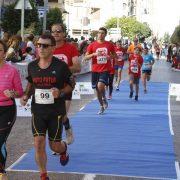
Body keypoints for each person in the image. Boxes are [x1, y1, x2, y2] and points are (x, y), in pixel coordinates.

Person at [20, 34, 74, 180]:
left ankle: (63, 149)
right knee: (38, 143)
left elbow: (71, 85)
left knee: (54, 146)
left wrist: (61, 92)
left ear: (53, 48)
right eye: (38, 45)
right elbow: (31, 84)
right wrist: (26, 95)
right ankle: (43, 175)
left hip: (55, 112)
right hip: (38, 111)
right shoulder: (32, 66)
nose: (41, 48)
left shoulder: (61, 66)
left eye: (45, 45)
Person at [51, 23, 81, 145]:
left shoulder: (71, 48)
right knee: (53, 116)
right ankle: (57, 142)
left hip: (66, 86)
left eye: (58, 31)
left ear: (64, 33)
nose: (56, 33)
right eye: (53, 31)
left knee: (61, 115)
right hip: (50, 87)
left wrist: (61, 69)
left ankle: (67, 130)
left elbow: (77, 67)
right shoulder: (48, 48)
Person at [0, 40, 23, 180]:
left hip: (7, 109)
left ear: (4, 52)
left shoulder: (12, 70)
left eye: (0, 50)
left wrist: (13, 93)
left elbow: (20, 92)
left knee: (0, 140)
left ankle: (2, 172)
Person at [84, 27, 116, 114]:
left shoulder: (109, 45)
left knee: (100, 85)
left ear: (105, 34)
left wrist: (110, 57)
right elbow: (86, 57)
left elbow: (114, 55)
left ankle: (104, 97)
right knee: (97, 90)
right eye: (99, 33)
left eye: (102, 33)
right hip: (95, 70)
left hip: (105, 69)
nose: (100, 34)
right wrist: (94, 54)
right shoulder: (92, 45)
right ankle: (101, 105)